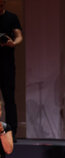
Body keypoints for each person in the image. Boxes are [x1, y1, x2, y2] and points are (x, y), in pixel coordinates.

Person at [0, 0, 23, 139]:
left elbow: (19, 36)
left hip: (6, 65)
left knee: (9, 98)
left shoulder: (11, 18)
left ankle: (11, 132)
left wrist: (12, 43)